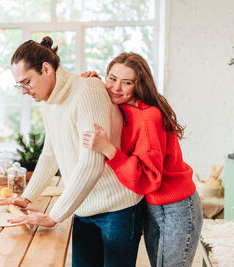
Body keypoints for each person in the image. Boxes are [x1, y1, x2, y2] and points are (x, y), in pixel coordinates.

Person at [0, 37, 143, 267]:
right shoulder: (49, 102)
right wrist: (27, 197)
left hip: (117, 209)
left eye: (27, 82)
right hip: (83, 206)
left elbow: (92, 162)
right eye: (19, 85)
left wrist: (54, 215)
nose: (24, 91)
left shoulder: (87, 90)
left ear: (46, 69)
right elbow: (50, 154)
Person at [81, 52, 203, 267]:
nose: (116, 88)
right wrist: (96, 85)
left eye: (126, 82)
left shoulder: (148, 117)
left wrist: (109, 150)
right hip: (152, 204)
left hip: (176, 205)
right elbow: (112, 97)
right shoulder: (126, 106)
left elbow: (149, 178)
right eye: (112, 78)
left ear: (139, 85)